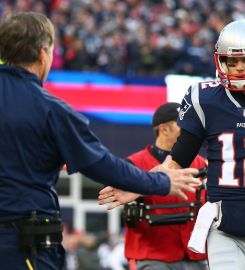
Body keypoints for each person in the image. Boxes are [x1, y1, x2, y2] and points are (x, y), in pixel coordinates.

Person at [0, 12, 201, 270]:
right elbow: (102, 164)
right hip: (23, 244)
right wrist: (160, 181)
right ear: (43, 54)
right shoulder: (51, 110)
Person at [98, 19, 245, 270]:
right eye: (231, 62)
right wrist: (138, 186)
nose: (239, 69)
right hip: (226, 228)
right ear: (220, 61)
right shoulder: (206, 100)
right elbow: (176, 162)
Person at [123, 102, 208, 270]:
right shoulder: (134, 164)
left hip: (196, 256)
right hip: (153, 256)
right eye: (183, 125)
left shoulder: (202, 163)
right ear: (164, 129)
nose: (190, 130)